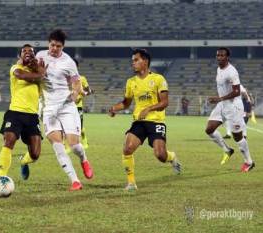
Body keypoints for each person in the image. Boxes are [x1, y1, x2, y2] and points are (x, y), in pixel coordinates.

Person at [22, 29, 93, 191]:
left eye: (58, 46)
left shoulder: (69, 62)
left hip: (67, 106)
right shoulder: (40, 56)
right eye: (52, 45)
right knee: (58, 145)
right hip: (48, 108)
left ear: (63, 47)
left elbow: (76, 84)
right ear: (48, 43)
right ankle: (75, 181)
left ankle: (83, 159)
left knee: (74, 146)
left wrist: (75, 93)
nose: (54, 49)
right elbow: (30, 71)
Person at [108, 48, 181, 191]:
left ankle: (171, 157)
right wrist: (114, 108)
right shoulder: (131, 82)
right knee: (127, 148)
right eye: (132, 61)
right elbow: (126, 103)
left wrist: (148, 109)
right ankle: (131, 183)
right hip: (139, 122)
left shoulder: (158, 79)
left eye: (136, 60)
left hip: (156, 121)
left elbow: (165, 102)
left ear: (145, 61)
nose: (133, 63)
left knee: (160, 155)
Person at [0, 44, 46, 179]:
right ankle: (1, 177)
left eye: (30, 51)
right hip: (15, 113)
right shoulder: (16, 68)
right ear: (20, 55)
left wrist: (40, 72)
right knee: (9, 141)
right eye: (24, 51)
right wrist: (40, 74)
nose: (27, 52)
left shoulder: (39, 72)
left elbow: (44, 79)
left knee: (35, 154)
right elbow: (22, 75)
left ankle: (23, 161)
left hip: (32, 116)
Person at [205, 47, 255, 172]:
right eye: (218, 55)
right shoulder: (219, 69)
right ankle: (227, 149)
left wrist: (218, 98)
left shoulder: (232, 72)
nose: (219, 57)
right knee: (209, 129)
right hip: (223, 104)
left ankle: (249, 162)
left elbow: (237, 92)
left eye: (222, 55)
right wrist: (220, 100)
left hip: (234, 107)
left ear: (227, 57)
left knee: (237, 136)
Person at [65, 58, 94, 152]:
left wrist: (82, 96)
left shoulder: (82, 78)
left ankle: (85, 142)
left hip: (78, 106)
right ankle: (68, 146)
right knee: (66, 126)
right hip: (67, 106)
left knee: (80, 127)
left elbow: (88, 90)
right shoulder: (65, 78)